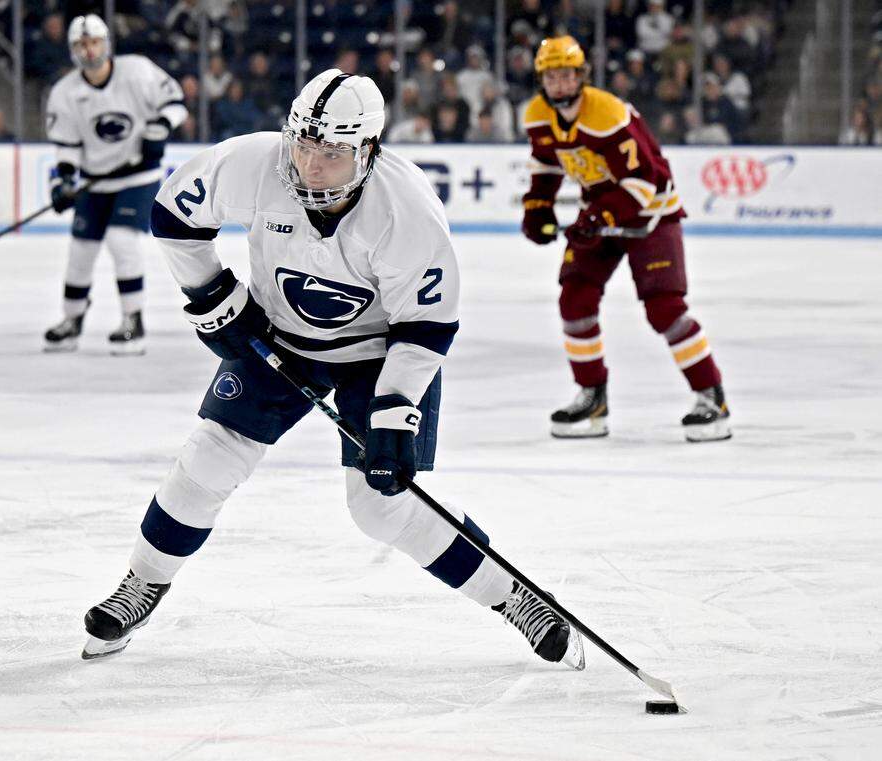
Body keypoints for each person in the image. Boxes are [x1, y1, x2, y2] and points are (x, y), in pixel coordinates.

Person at [79, 69, 586, 671]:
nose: (312, 166)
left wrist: (396, 415)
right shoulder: (253, 165)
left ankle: (516, 598)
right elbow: (173, 214)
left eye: (334, 152)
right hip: (278, 340)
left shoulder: (407, 211)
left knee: (380, 506)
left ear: (368, 150)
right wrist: (213, 294)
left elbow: (424, 330)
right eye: (305, 145)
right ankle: (142, 582)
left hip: (379, 355)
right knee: (209, 457)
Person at [519, 37, 731, 442]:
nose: (560, 84)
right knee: (574, 299)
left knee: (665, 309)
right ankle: (592, 396)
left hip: (651, 214)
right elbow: (547, 161)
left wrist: (600, 216)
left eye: (566, 75)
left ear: (581, 76)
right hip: (603, 211)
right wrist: (538, 206)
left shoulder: (607, 114)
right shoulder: (537, 115)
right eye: (552, 76)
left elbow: (644, 182)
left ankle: (712, 397)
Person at [43, 14, 187, 354]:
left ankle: (132, 321)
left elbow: (176, 103)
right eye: (81, 44)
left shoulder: (137, 71)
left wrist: (161, 127)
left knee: (121, 241)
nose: (89, 50)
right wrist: (64, 180)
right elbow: (67, 147)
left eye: (93, 42)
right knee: (80, 251)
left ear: (106, 43)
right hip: (96, 181)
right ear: (72, 50)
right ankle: (72, 321)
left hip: (138, 177)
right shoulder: (65, 93)